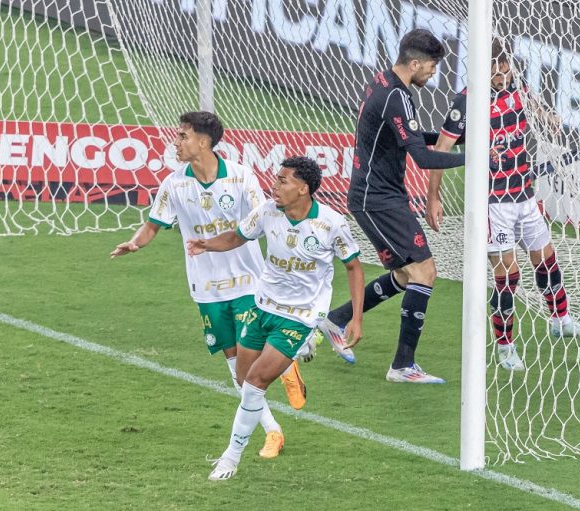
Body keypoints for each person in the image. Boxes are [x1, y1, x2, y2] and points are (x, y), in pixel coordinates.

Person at [110, 111, 306, 462]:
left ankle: (288, 360)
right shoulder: (174, 183)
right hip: (206, 288)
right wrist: (136, 242)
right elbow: (154, 223)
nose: (176, 141)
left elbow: (263, 216)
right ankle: (273, 430)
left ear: (204, 141)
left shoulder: (241, 177)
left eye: (182, 135)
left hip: (247, 281)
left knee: (254, 359)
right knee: (236, 369)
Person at [187, 156, 365, 481]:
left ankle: (231, 458)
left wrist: (356, 318)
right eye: (276, 178)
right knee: (243, 382)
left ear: (303, 188)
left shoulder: (331, 223)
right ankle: (294, 360)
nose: (275, 185)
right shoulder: (268, 211)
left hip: (299, 317)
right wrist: (207, 245)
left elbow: (353, 267)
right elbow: (238, 236)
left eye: (283, 180)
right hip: (262, 308)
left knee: (255, 384)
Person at [426, 39, 580, 372]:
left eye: (506, 68)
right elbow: (441, 148)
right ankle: (505, 348)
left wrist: (548, 117)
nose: (502, 76)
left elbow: (532, 103)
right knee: (508, 275)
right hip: (491, 202)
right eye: (496, 70)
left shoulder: (517, 84)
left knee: (546, 257)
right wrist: (434, 196)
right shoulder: (467, 102)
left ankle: (560, 319)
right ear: (482, 68)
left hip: (524, 194)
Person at [318, 29, 466, 383]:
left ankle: (337, 320)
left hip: (382, 196)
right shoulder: (396, 97)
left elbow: (411, 136)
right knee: (424, 272)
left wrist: (456, 139)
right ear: (414, 63)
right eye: (431, 67)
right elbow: (422, 157)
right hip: (376, 200)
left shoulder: (384, 83)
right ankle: (402, 365)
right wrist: (473, 159)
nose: (433, 74)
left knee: (405, 275)